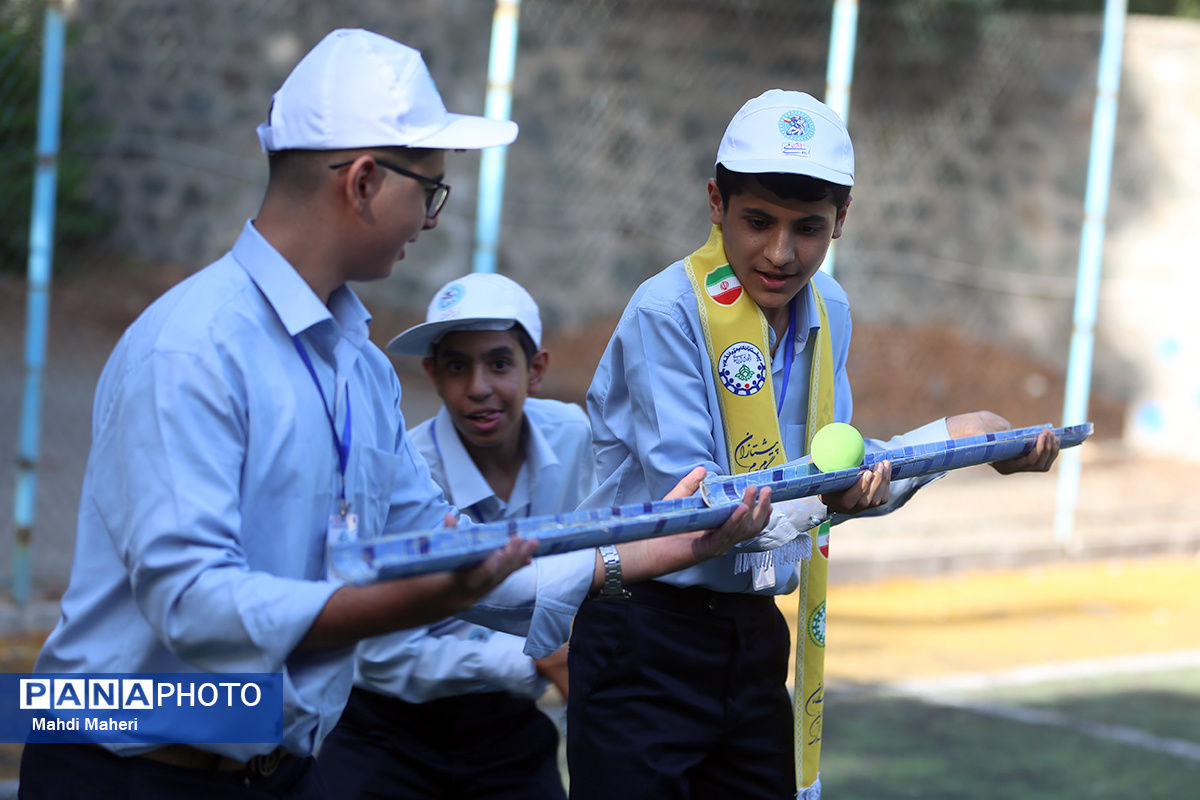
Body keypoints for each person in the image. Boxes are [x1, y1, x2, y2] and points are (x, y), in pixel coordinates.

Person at [18, 29, 771, 800]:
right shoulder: (191, 350)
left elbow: (449, 550)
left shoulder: (359, 369)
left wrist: (648, 547)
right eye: (430, 189)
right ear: (366, 182)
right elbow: (194, 605)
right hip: (114, 766)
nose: (433, 218)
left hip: (274, 768)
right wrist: (409, 601)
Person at [568, 90, 1060, 799]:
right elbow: (705, 508)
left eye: (809, 228)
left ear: (842, 221)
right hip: (643, 633)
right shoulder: (666, 312)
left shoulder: (829, 308)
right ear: (716, 202)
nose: (780, 252)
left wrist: (962, 440)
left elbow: (838, 471)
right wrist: (833, 487)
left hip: (754, 635)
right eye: (758, 222)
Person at [318, 272, 594, 799]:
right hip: (386, 728)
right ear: (432, 374)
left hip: (508, 725)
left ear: (535, 370)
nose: (478, 387)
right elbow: (377, 649)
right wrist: (534, 656)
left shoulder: (574, 436)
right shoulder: (404, 472)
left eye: (498, 362)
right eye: (455, 366)